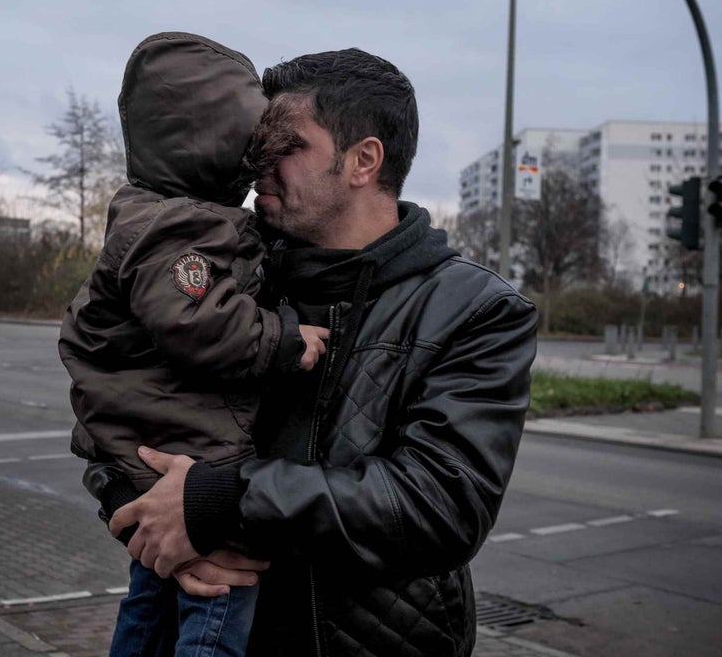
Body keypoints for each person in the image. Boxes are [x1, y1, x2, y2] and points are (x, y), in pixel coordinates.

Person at [109, 48, 539, 656]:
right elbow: (116, 391)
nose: (256, 166)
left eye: (285, 147)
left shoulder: (474, 310)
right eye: (255, 146)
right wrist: (147, 519)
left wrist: (216, 503)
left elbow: (440, 506)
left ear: (363, 160)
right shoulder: (218, 276)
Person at [59, 32, 330, 657]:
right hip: (192, 454)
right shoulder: (181, 228)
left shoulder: (158, 215)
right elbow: (198, 322)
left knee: (152, 601)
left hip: (166, 453)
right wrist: (285, 340)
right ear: (219, 143)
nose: (263, 166)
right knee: (218, 601)